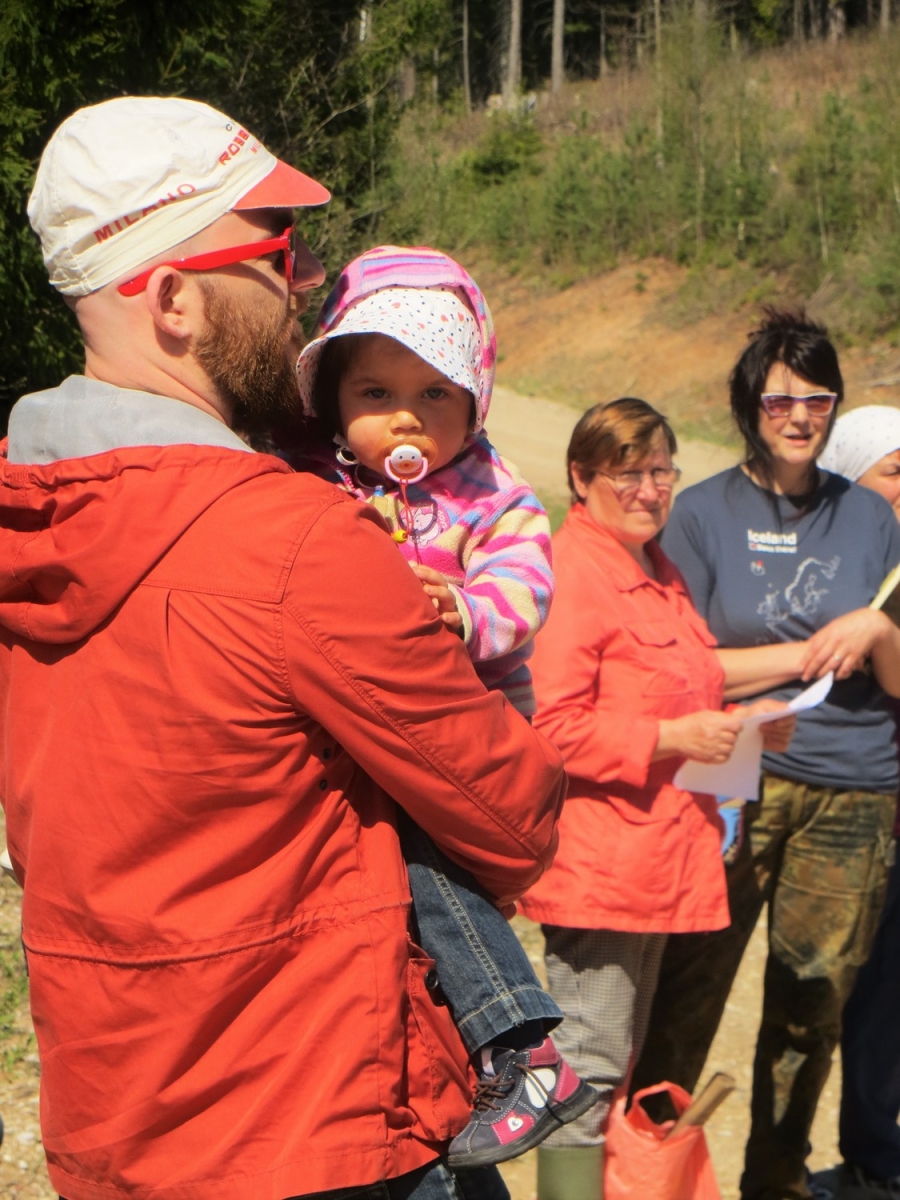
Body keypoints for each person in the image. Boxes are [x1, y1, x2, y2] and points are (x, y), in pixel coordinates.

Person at [0, 96, 568, 1200]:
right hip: (328, 1126)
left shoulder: (26, 510)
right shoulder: (297, 543)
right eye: (273, 252)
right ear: (170, 299)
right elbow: (515, 818)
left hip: (116, 1130)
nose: (302, 283)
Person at [288, 244, 598, 1168]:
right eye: (376, 394)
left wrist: (461, 608)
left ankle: (520, 1042)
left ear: (476, 400)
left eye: (435, 395)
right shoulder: (320, 483)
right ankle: (458, 1060)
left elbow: (523, 591)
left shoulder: (491, 495)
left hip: (468, 726)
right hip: (371, 728)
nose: (405, 420)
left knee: (432, 867)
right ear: (335, 403)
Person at [630, 311, 900, 1200]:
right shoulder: (700, 512)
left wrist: (877, 626)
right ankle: (650, 1172)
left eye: (816, 398)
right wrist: (794, 660)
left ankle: (773, 1182)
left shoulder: (871, 516)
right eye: (780, 396)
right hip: (731, 778)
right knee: (687, 992)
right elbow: (683, 662)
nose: (799, 414)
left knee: (810, 1004)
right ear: (750, 402)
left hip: (855, 787)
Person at [516, 398, 798, 1200]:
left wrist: (740, 728)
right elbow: (552, 727)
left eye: (662, 470)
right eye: (629, 472)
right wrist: (675, 739)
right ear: (581, 478)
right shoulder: (575, 573)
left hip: (659, 863)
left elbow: (680, 689)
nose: (649, 488)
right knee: (587, 1070)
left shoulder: (657, 569)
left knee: (617, 1061)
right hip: (603, 872)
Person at [811, 406, 900, 1200]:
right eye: (895, 470)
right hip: (818, 809)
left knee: (882, 998)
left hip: (884, 810)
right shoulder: (822, 563)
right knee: (840, 993)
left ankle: (875, 1156)